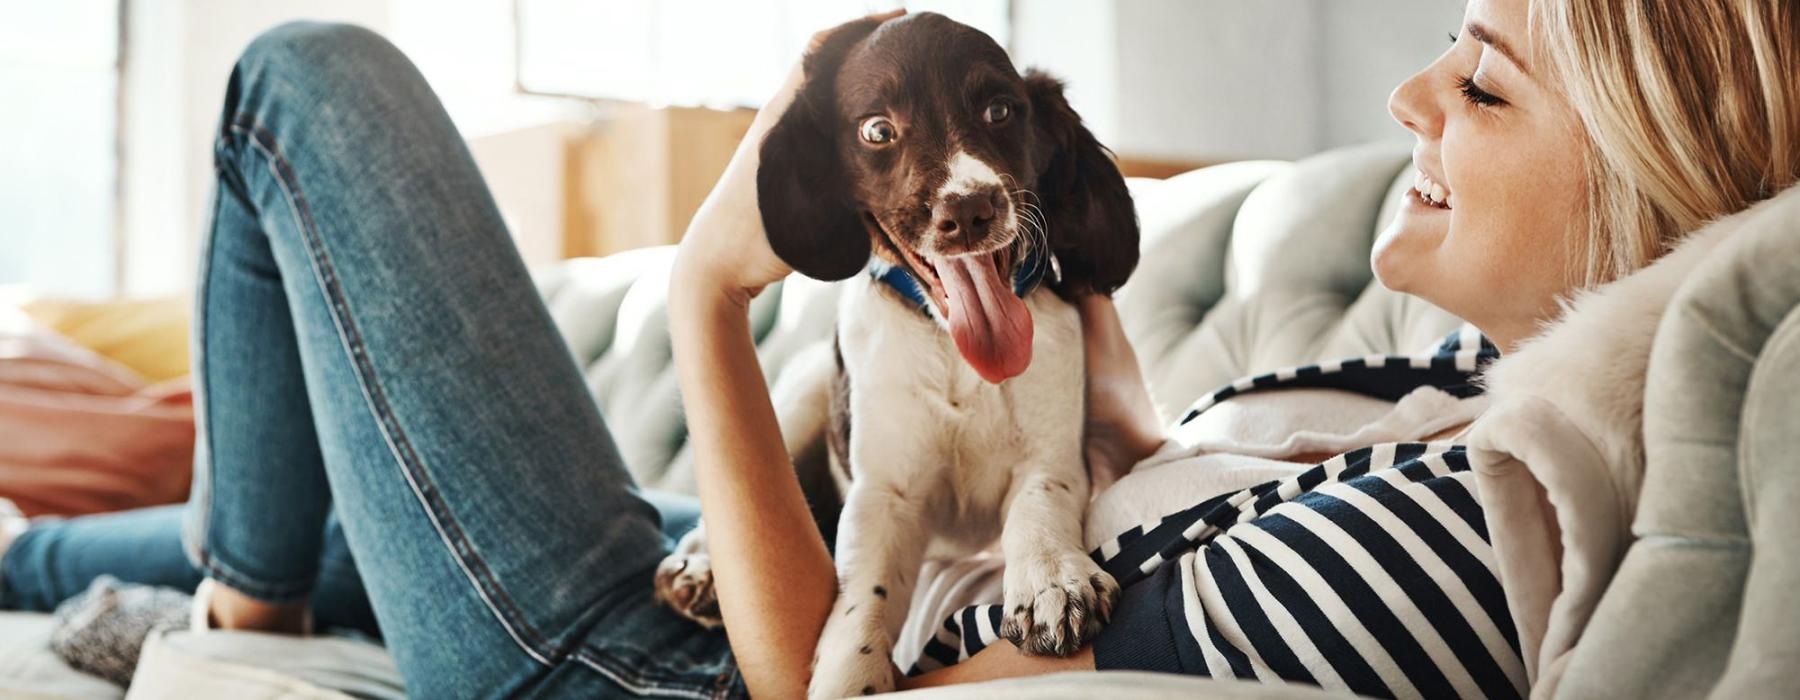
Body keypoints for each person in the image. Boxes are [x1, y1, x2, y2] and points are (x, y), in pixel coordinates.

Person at [2, 0, 1793, 697]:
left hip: (675, 675)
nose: (1409, 90)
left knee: (302, 87)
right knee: (321, 501)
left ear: (1652, 202)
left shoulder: (1463, 530)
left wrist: (716, 292)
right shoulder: (1415, 401)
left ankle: (227, 633)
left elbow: (838, 691)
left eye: (1481, 84)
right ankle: (64, 557)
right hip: (714, 568)